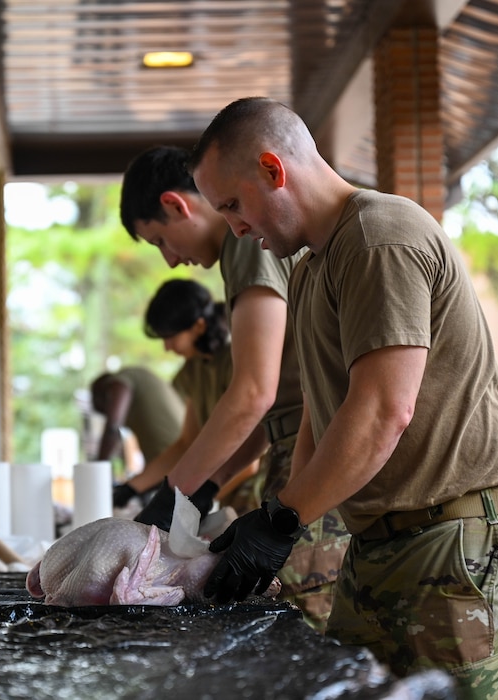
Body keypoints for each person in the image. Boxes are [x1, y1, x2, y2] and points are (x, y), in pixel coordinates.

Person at [189, 96, 498, 696]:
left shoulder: (379, 237)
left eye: (232, 205)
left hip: (455, 545)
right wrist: (279, 520)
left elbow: (385, 411)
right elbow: (321, 412)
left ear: (273, 170)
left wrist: (282, 521)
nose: (234, 227)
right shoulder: (311, 268)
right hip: (378, 543)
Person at [119, 145, 349, 630]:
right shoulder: (243, 251)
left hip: (311, 450)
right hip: (293, 445)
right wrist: (202, 487)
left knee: (301, 622)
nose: (171, 260)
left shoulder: (245, 245)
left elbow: (252, 394)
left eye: (160, 240)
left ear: (176, 205)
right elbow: (266, 413)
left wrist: (174, 494)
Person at [118, 278, 261, 515]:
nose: (167, 347)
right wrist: (132, 487)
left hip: (255, 498)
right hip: (223, 497)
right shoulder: (192, 371)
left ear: (198, 326)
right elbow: (187, 444)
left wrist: (195, 498)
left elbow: (250, 461)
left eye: (171, 337)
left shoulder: (237, 361)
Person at [90, 366, 185, 488]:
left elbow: (112, 428)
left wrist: (97, 470)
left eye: (105, 409)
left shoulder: (121, 380)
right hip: (167, 465)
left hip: (175, 461)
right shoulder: (138, 386)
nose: (107, 413)